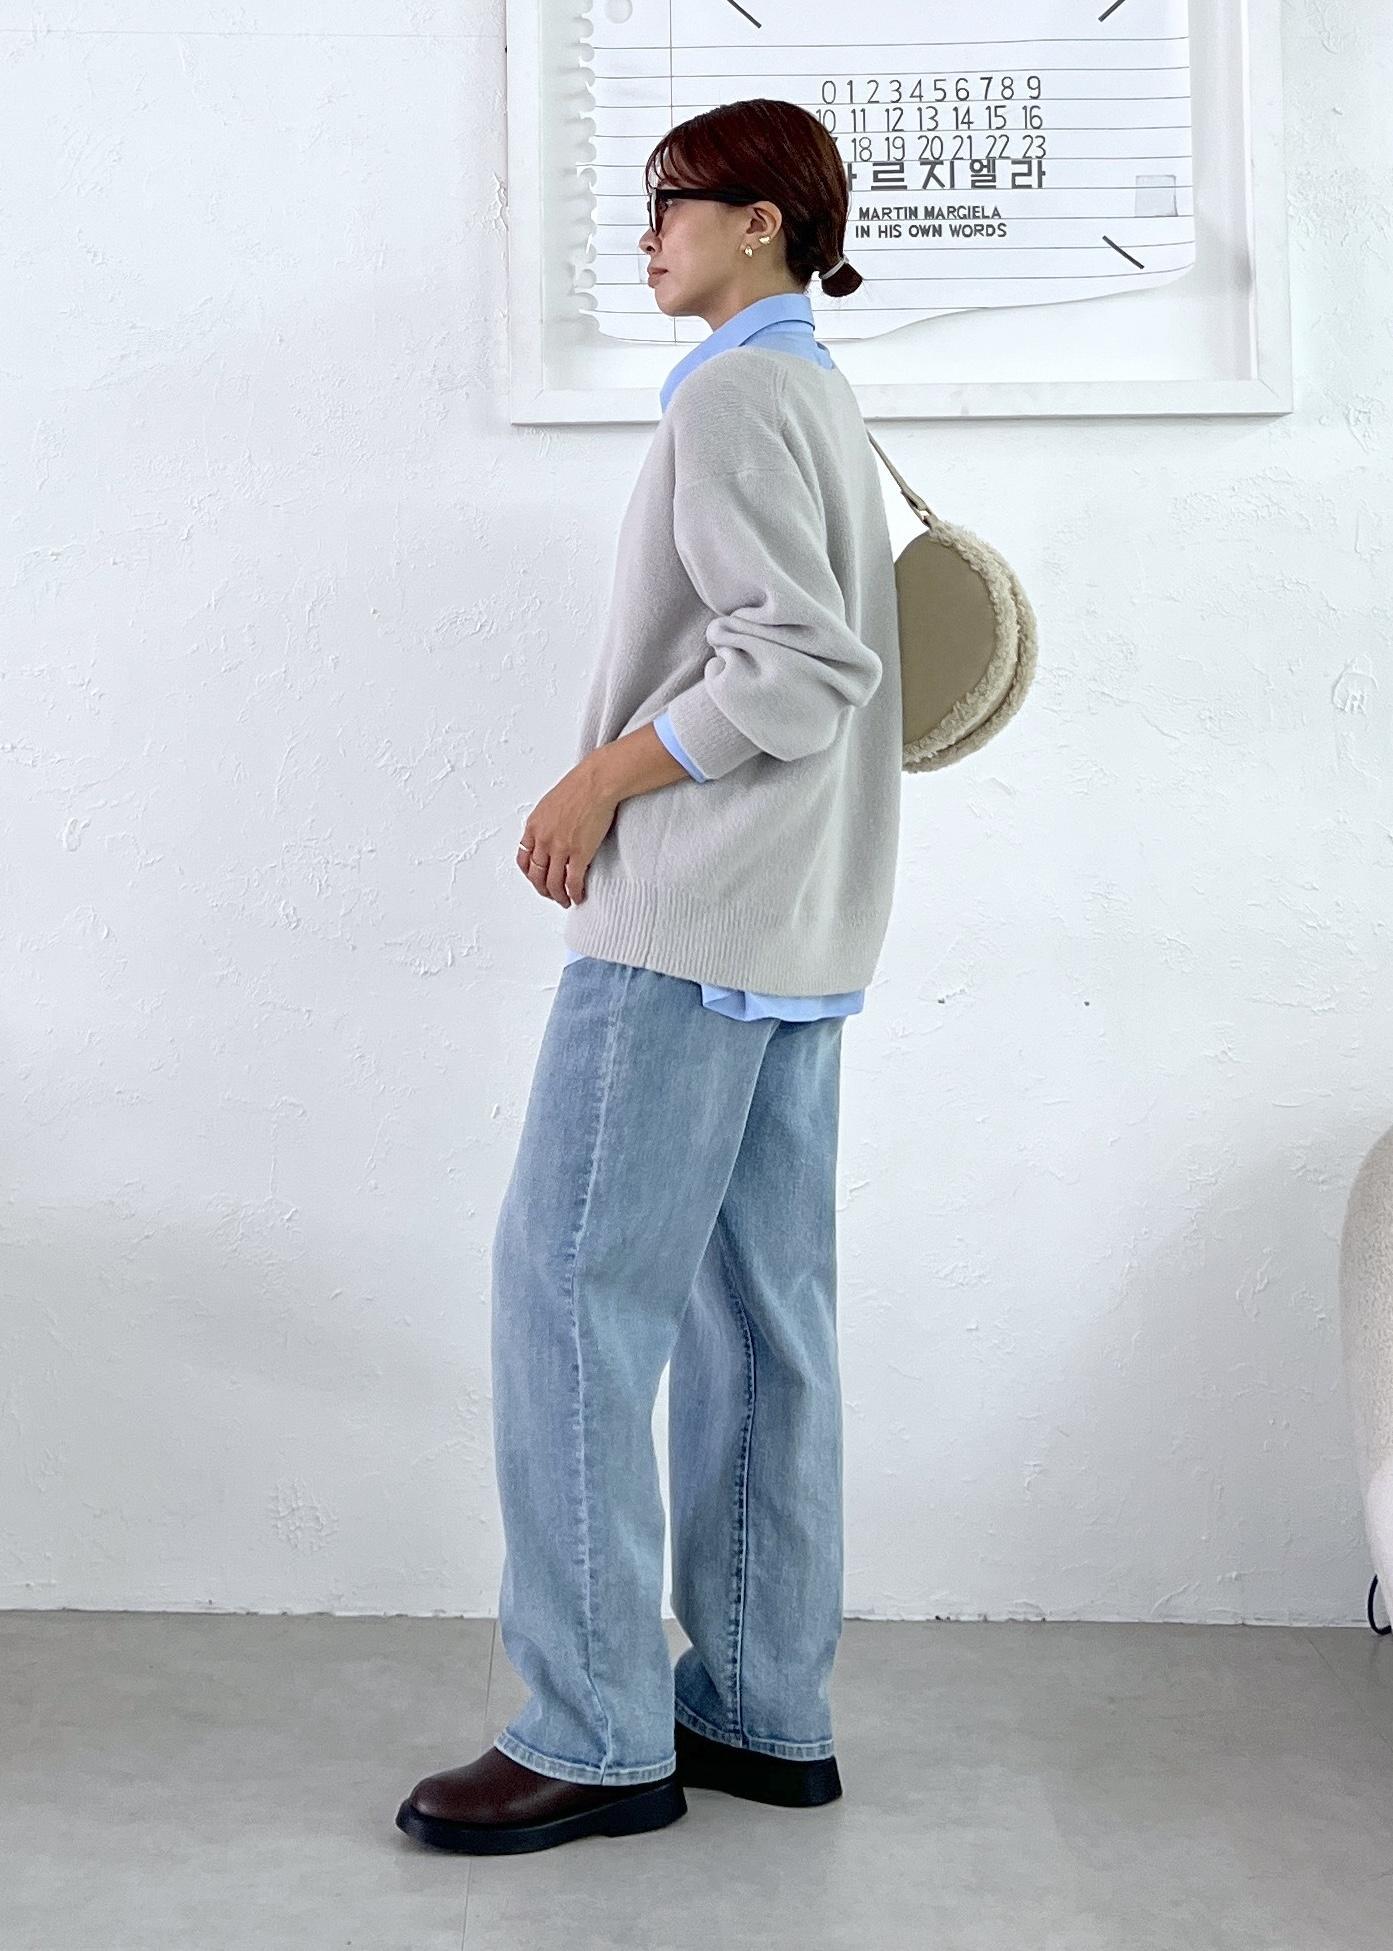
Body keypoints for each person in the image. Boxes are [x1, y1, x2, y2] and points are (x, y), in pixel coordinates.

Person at [396, 96, 902, 1856]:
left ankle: (594, 1732)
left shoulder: (732, 393)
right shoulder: (814, 392)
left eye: (673, 204)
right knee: (761, 1321)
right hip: (794, 931)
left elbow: (798, 662)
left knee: (569, 1301)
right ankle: (758, 1706)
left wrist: (600, 778)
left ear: (761, 221)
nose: (647, 235)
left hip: (688, 925)